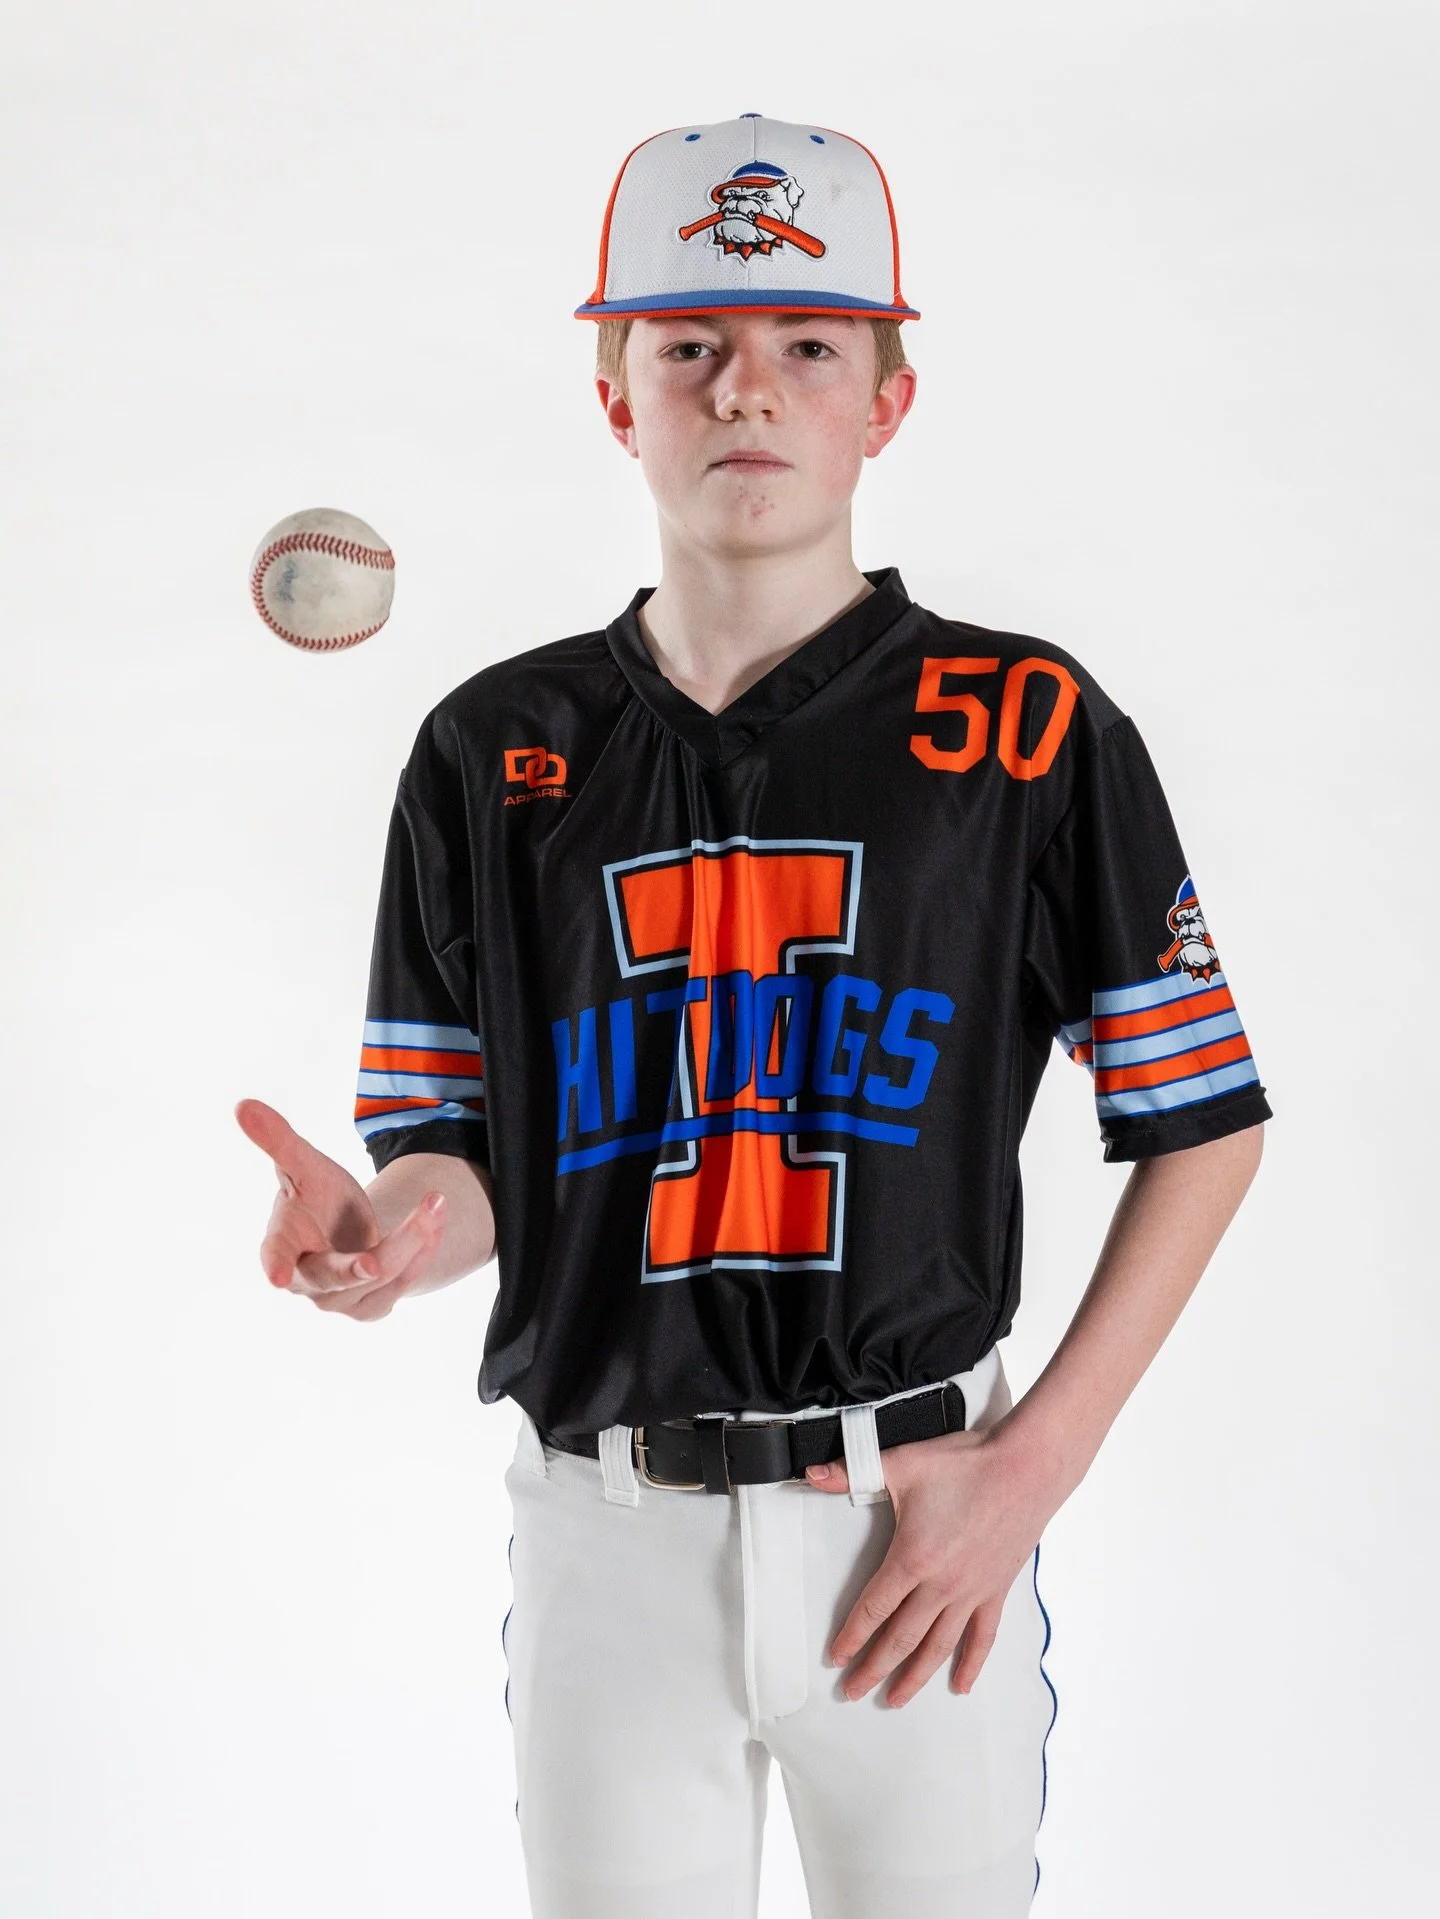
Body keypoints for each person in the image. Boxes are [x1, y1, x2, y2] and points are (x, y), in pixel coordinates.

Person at [236, 111, 1271, 1919]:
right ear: (614, 396)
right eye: (689, 346)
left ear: (888, 400)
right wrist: (390, 1236)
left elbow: (1207, 1124)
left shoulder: (1025, 725)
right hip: (607, 1525)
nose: (746, 390)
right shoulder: (490, 747)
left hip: (917, 1513)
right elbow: (464, 1167)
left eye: (808, 344)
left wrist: (1034, 1467)